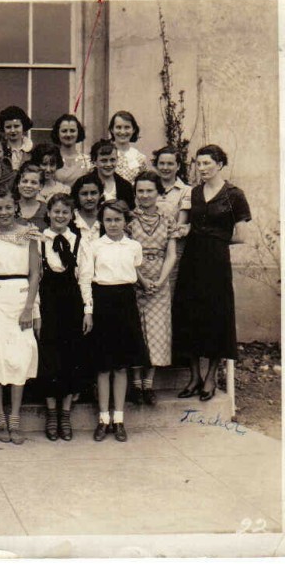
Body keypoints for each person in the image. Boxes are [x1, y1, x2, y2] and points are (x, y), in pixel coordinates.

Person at [172, 145, 251, 402]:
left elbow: (241, 236)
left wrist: (213, 239)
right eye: (199, 163)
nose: (202, 168)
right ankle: (194, 377)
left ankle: (210, 378)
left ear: (219, 164)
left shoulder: (234, 195)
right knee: (189, 314)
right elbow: (184, 225)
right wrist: (185, 231)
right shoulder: (193, 193)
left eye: (207, 163)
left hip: (216, 262)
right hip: (192, 261)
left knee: (217, 316)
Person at [0, 189, 41, 444]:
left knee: (20, 356)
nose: (3, 213)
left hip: (21, 295)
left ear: (16, 208)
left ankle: (15, 417)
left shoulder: (30, 235)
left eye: (8, 208)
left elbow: (35, 274)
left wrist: (28, 308)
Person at [81, 199, 149, 442]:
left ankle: (118, 419)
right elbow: (86, 279)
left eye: (117, 219)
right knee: (103, 366)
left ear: (126, 222)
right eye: (108, 220)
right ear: (102, 221)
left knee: (121, 366)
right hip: (102, 302)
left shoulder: (133, 246)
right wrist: (88, 310)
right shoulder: (94, 246)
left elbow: (136, 273)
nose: (112, 224)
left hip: (125, 303)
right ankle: (103, 419)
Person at [37, 193, 93, 441]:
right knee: (49, 357)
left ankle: (65, 414)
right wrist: (35, 311)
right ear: (48, 213)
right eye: (56, 211)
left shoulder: (79, 242)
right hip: (48, 305)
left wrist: (87, 311)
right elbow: (34, 280)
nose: (60, 216)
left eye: (65, 212)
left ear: (72, 216)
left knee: (71, 356)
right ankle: (51, 413)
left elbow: (85, 279)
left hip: (72, 305)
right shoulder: (39, 241)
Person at [127, 172, 178, 406]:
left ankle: (149, 384)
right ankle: (136, 385)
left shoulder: (167, 219)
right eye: (140, 191)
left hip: (160, 282)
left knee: (156, 333)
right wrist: (141, 280)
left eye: (149, 190)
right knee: (137, 332)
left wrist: (160, 280)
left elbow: (171, 254)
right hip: (134, 280)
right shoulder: (128, 219)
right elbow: (125, 254)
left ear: (158, 193)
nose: (144, 195)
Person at [152, 146, 191, 289]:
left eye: (170, 164)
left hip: (173, 246)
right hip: (149, 246)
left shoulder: (186, 191)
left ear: (178, 166)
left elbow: (181, 224)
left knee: (169, 287)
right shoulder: (149, 187)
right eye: (161, 163)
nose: (165, 167)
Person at [90, 139, 135, 208]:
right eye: (104, 160)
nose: (109, 164)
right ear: (94, 161)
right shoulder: (84, 183)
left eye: (112, 160)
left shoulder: (125, 186)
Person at [108, 110, 148, 184]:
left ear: (133, 130)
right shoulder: (104, 154)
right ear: (112, 129)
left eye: (127, 127)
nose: (122, 132)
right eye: (118, 127)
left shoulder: (140, 158)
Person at [50, 113, 90, 186]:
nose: (68, 135)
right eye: (64, 131)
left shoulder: (87, 161)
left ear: (78, 133)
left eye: (72, 131)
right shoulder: (51, 159)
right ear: (57, 133)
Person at [70, 173, 104, 248]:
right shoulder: (70, 220)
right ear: (77, 196)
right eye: (84, 194)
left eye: (93, 193)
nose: (89, 198)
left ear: (100, 194)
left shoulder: (106, 219)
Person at [0, 105, 33, 170]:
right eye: (8, 127)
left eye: (16, 126)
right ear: (3, 128)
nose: (12, 130)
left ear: (23, 126)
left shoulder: (32, 150)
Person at [16, 163, 48, 231]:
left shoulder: (47, 210)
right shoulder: (10, 207)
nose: (28, 185)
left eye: (33, 182)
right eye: (24, 181)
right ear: (18, 184)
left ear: (41, 186)